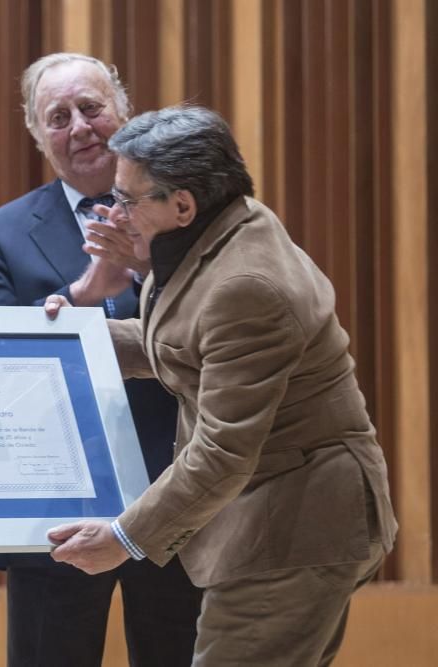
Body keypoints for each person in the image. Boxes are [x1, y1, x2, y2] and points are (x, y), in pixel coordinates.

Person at [45, 105, 398, 665]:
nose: (115, 212)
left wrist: (124, 538)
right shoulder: (219, 227)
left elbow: (222, 451)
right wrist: (75, 341)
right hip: (282, 519)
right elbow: (187, 344)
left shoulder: (246, 285)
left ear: (181, 203)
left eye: (128, 199)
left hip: (295, 528)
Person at [0, 53, 202, 666]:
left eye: (91, 108)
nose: (78, 127)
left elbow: (220, 329)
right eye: (57, 117)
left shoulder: (185, 210)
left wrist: (149, 267)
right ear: (37, 135)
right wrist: (83, 297)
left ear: (123, 112)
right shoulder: (5, 230)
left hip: (177, 489)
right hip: (57, 502)